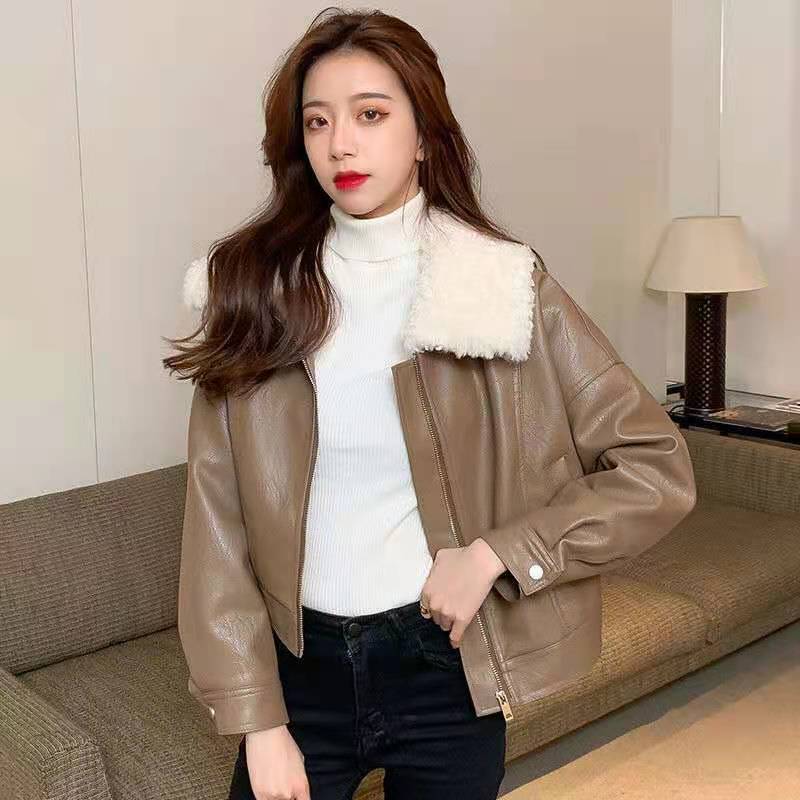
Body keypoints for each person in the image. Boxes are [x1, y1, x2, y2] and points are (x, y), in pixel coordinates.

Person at [162, 8, 697, 800]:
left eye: (371, 115)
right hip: (300, 676)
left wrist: (497, 555)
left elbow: (657, 469)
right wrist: (258, 722)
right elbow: (218, 528)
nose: (340, 145)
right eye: (318, 121)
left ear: (423, 135)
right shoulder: (251, 294)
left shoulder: (498, 287)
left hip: (445, 666)